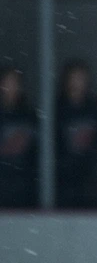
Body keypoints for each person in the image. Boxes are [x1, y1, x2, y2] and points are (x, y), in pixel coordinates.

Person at [56, 60, 97, 208]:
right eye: (74, 78)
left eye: (81, 78)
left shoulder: (95, 109)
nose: (77, 83)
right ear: (66, 81)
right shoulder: (57, 110)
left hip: (89, 176)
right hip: (64, 178)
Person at [0, 67, 38, 209]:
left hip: (24, 187)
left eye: (15, 83)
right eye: (7, 82)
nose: (11, 87)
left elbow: (37, 151)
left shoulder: (29, 116)